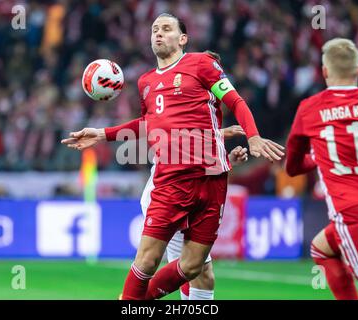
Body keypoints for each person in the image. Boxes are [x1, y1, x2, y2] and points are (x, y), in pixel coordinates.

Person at [62, 13, 284, 300]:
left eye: (166, 29)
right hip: (171, 181)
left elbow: (235, 101)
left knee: (195, 267)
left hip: (212, 180)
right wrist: (104, 134)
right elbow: (149, 124)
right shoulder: (146, 82)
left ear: (183, 39)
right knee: (148, 262)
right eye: (154, 29)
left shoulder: (202, 64)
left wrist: (252, 137)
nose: (158, 33)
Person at [286, 38, 358, 300]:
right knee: (322, 248)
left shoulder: (308, 109)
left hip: (354, 212)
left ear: (324, 72)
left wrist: (319, 157)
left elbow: (292, 167)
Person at [141, 125, 247, 301]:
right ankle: (130, 300)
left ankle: (130, 298)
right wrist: (220, 134)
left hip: (188, 199)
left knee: (199, 275)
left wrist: (226, 160)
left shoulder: (204, 114)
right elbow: (179, 145)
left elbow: (196, 165)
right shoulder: (179, 106)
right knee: (193, 270)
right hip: (169, 200)